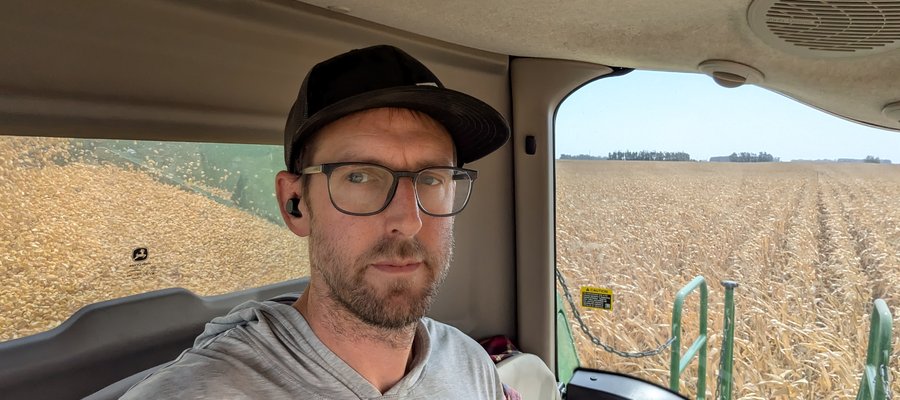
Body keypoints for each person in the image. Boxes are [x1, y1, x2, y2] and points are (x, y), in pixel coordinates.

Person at [120, 45, 512, 399]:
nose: (408, 221)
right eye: (359, 176)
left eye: (431, 179)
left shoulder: (470, 364)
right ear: (295, 203)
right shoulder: (198, 392)